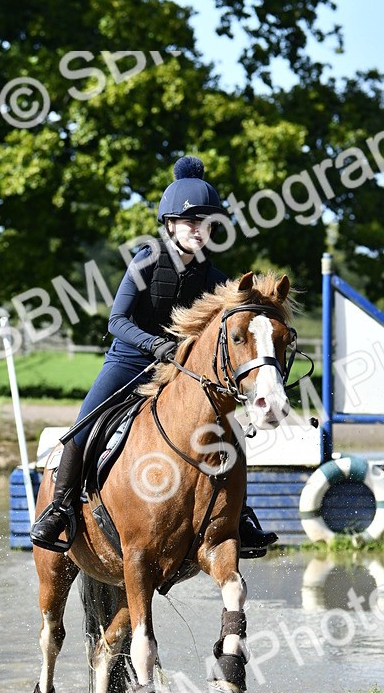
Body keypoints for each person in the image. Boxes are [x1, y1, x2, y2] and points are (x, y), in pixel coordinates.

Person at [29, 155, 278, 556]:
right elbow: (116, 320)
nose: (201, 230)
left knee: (228, 426)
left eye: (208, 223)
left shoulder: (215, 279)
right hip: (128, 360)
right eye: (192, 222)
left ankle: (239, 515)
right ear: (170, 225)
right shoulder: (146, 260)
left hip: (180, 372)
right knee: (82, 427)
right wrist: (155, 345)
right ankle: (59, 509)